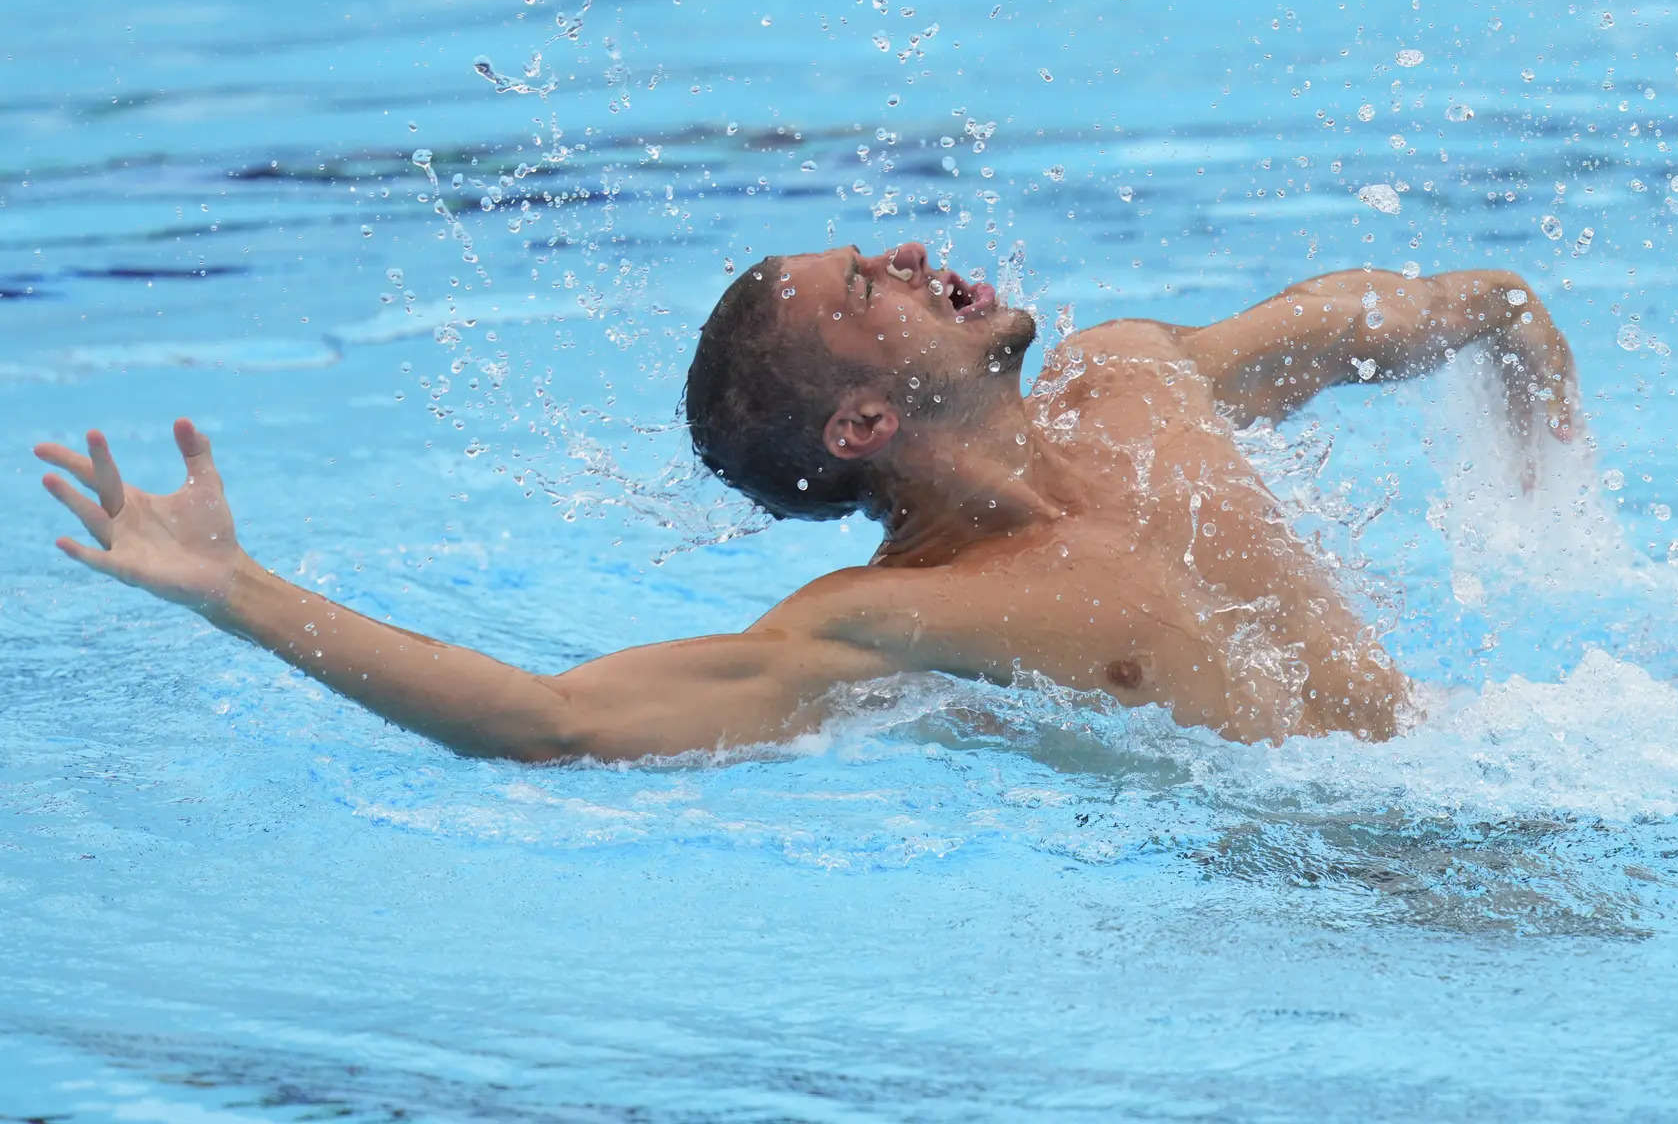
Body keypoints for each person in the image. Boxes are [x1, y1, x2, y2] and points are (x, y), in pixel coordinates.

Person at [35, 242, 1579, 761]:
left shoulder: (1138, 381)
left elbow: (1435, 314)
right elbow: (550, 723)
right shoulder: (904, 618)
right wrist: (236, 592)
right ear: (860, 417)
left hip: (1501, 765)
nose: (911, 253)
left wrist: (1545, 476)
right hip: (1330, 926)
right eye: (869, 283)